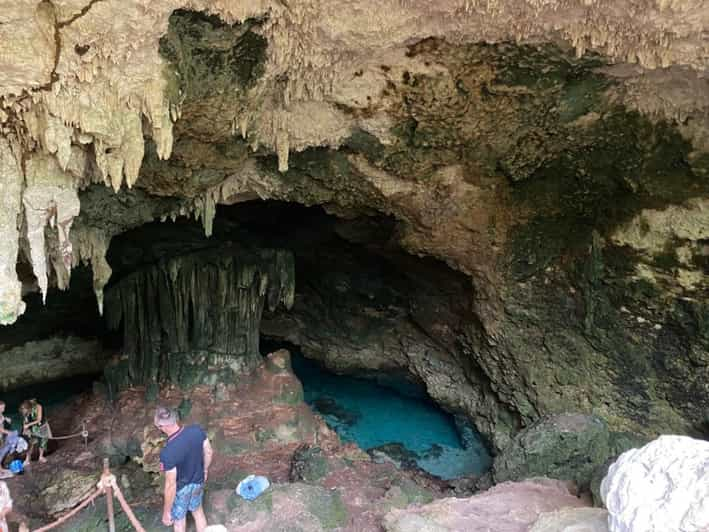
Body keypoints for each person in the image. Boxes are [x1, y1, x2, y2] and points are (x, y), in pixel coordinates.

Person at [154, 406, 213, 532]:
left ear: (162, 426)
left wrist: (166, 512)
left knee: (179, 521)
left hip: (181, 489)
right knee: (198, 512)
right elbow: (208, 452)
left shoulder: (167, 453)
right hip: (198, 480)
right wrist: (205, 470)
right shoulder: (196, 430)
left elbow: (171, 484)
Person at [19, 399, 48, 465]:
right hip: (33, 427)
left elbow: (39, 419)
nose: (24, 412)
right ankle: (27, 459)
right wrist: (25, 430)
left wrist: (28, 425)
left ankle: (41, 457)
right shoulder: (25, 411)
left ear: (29, 408)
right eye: (23, 411)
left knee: (43, 440)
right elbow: (25, 421)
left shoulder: (38, 407)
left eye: (25, 410)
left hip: (42, 425)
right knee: (30, 442)